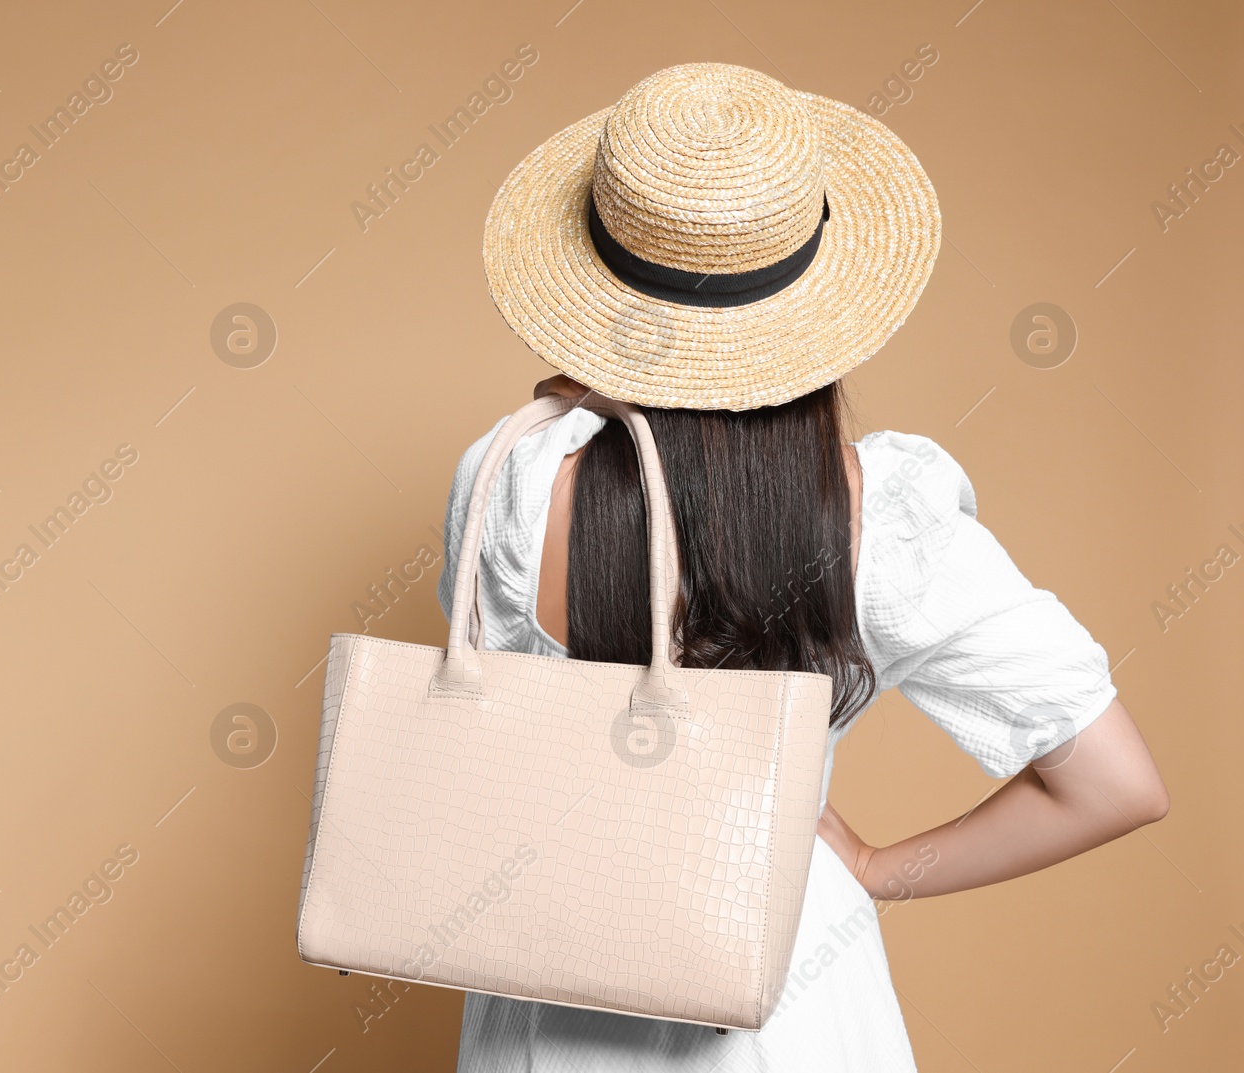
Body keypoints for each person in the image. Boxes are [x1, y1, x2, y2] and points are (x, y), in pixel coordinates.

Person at [435, 62, 1168, 1071]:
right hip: (786, 1001)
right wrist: (869, 866)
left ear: (601, 286)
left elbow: (494, 704)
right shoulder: (887, 514)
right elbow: (1114, 784)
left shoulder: (507, 479)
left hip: (546, 988)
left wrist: (588, 395)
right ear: (817, 298)